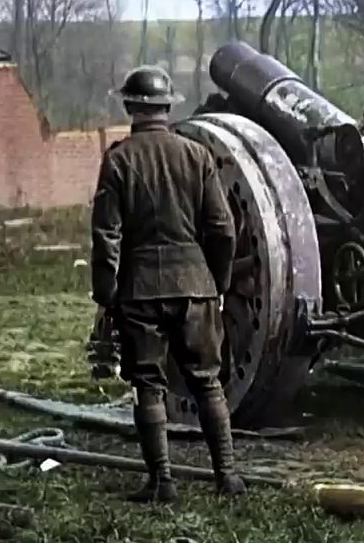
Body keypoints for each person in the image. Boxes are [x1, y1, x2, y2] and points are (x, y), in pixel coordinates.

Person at [89, 65, 242, 503]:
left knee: (148, 386)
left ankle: (162, 481)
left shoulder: (118, 159)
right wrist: (218, 281)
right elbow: (223, 229)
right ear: (167, 107)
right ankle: (227, 476)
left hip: (139, 290)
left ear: (132, 107)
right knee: (207, 382)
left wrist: (107, 294)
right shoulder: (197, 156)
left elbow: (106, 235)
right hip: (196, 285)